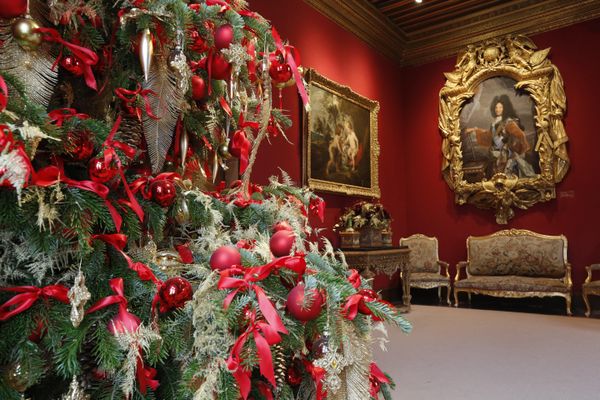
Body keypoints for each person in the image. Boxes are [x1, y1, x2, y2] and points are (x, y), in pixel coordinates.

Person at [465, 95, 536, 178]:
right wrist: (475, 130)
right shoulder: (494, 122)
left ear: (504, 108)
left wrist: (509, 143)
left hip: (506, 154)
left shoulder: (508, 122)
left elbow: (520, 135)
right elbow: (489, 135)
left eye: (500, 107)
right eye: (496, 107)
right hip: (495, 153)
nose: (497, 110)